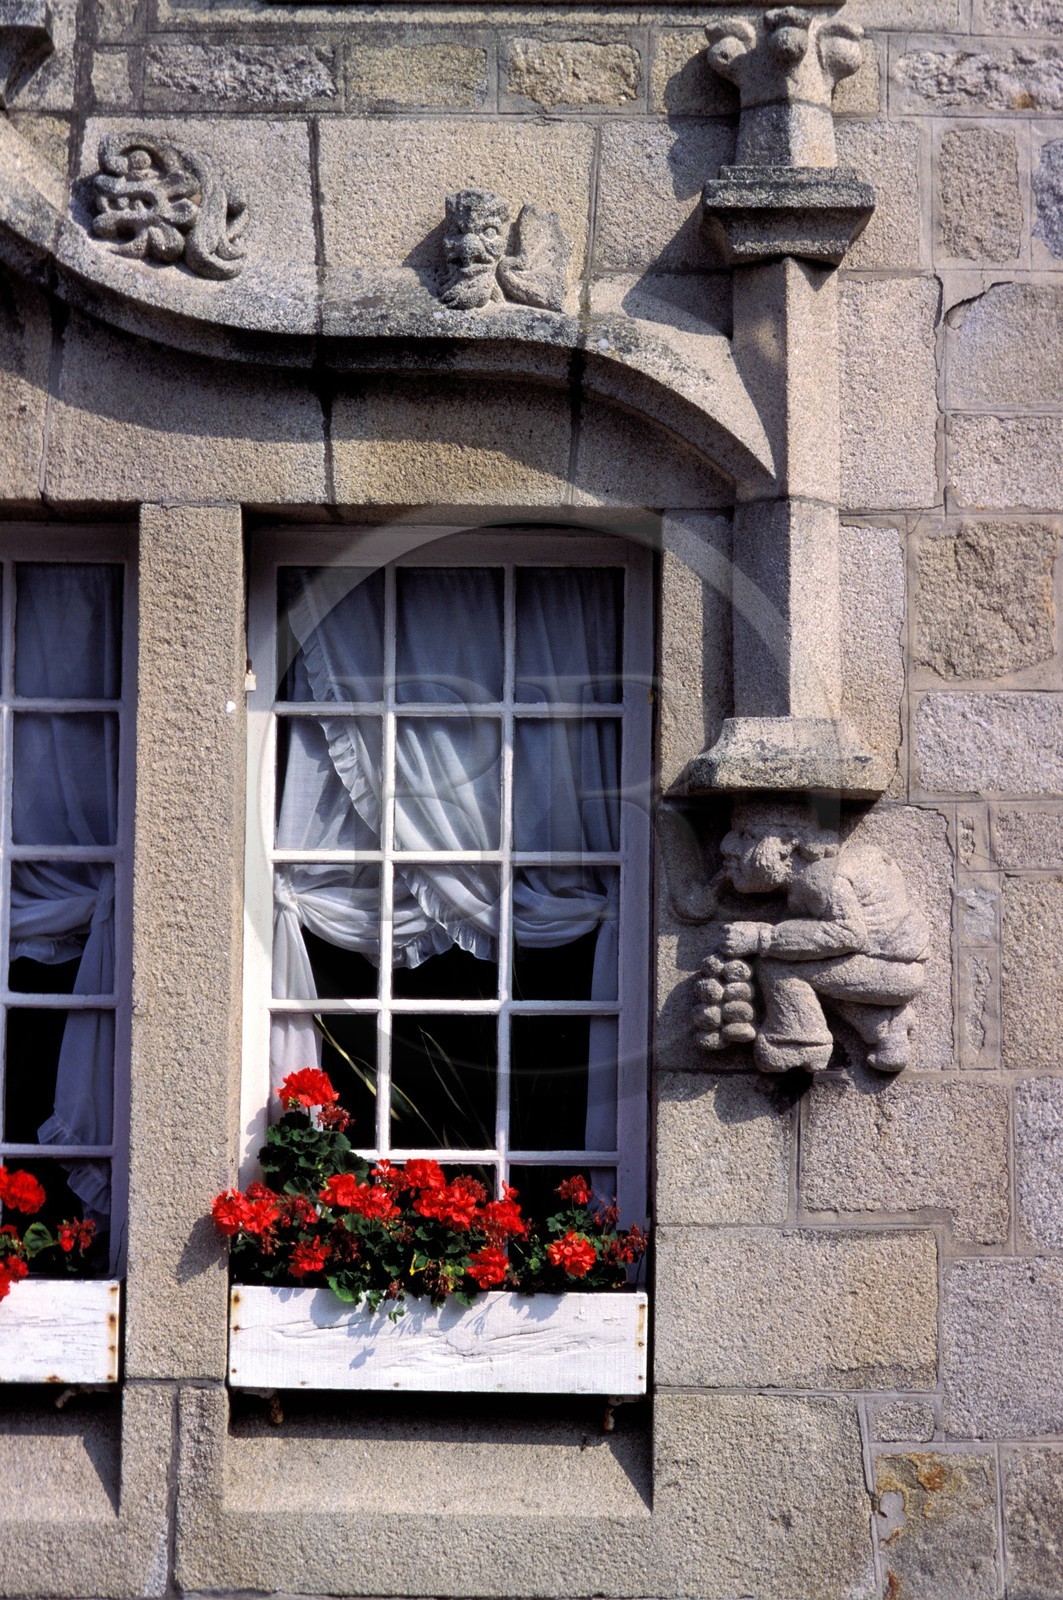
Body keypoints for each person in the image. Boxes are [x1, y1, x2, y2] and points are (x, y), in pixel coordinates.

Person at [698, 801, 931, 1074]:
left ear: (787, 844)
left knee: (778, 966)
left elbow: (848, 934)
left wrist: (762, 938)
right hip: (889, 967)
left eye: (746, 836)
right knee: (808, 965)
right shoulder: (811, 880)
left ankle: (797, 1043)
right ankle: (885, 1024)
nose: (727, 846)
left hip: (890, 969)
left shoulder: (819, 879)